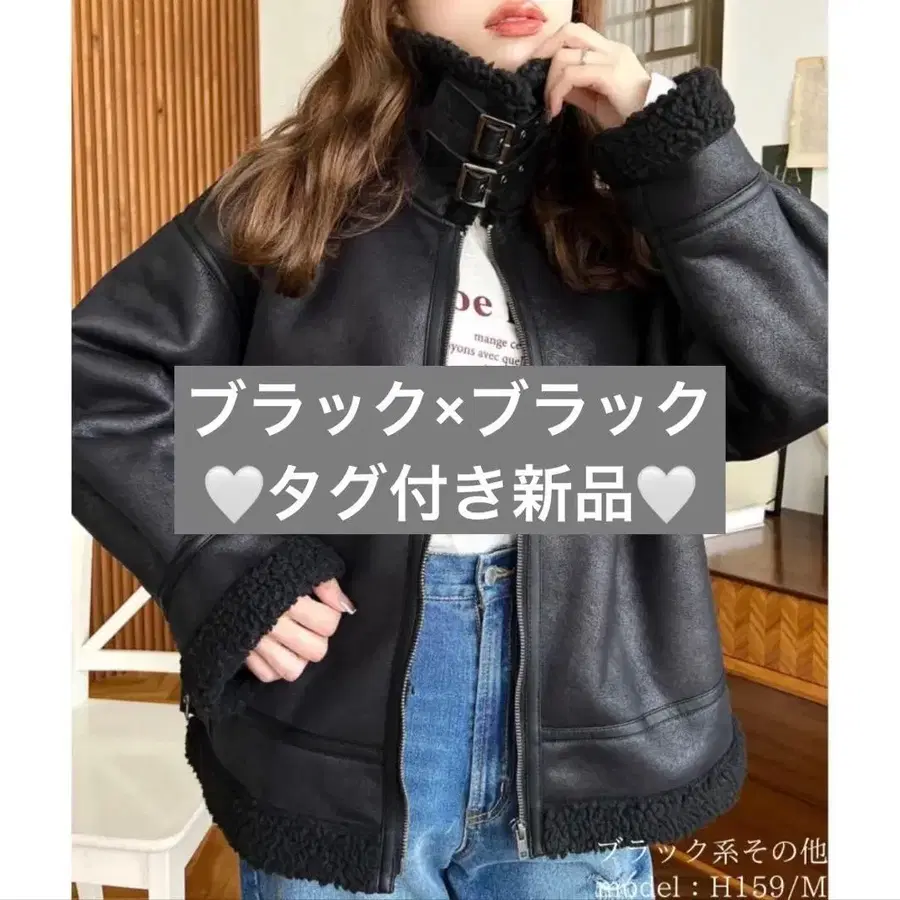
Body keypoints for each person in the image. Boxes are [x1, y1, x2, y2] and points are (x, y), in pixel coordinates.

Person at [71, 0, 828, 897]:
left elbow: (806, 365)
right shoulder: (294, 187)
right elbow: (90, 377)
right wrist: (226, 561)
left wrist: (673, 140)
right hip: (337, 721)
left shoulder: (636, 193)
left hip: (587, 720)